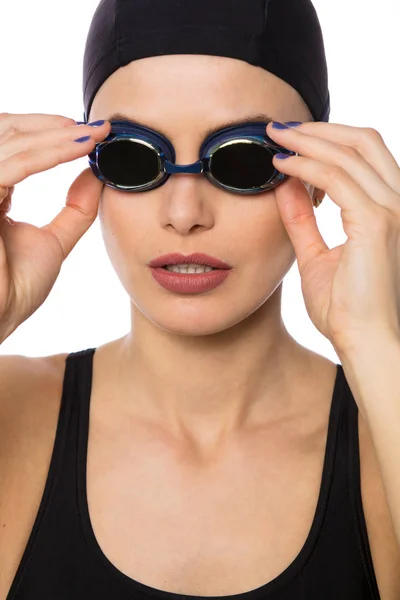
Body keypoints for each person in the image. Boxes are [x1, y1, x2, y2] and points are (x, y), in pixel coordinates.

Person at [1, 1, 400, 599]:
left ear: (321, 178)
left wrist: (377, 341)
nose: (184, 215)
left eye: (242, 161)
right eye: (134, 158)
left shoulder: (384, 432)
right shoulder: (13, 410)